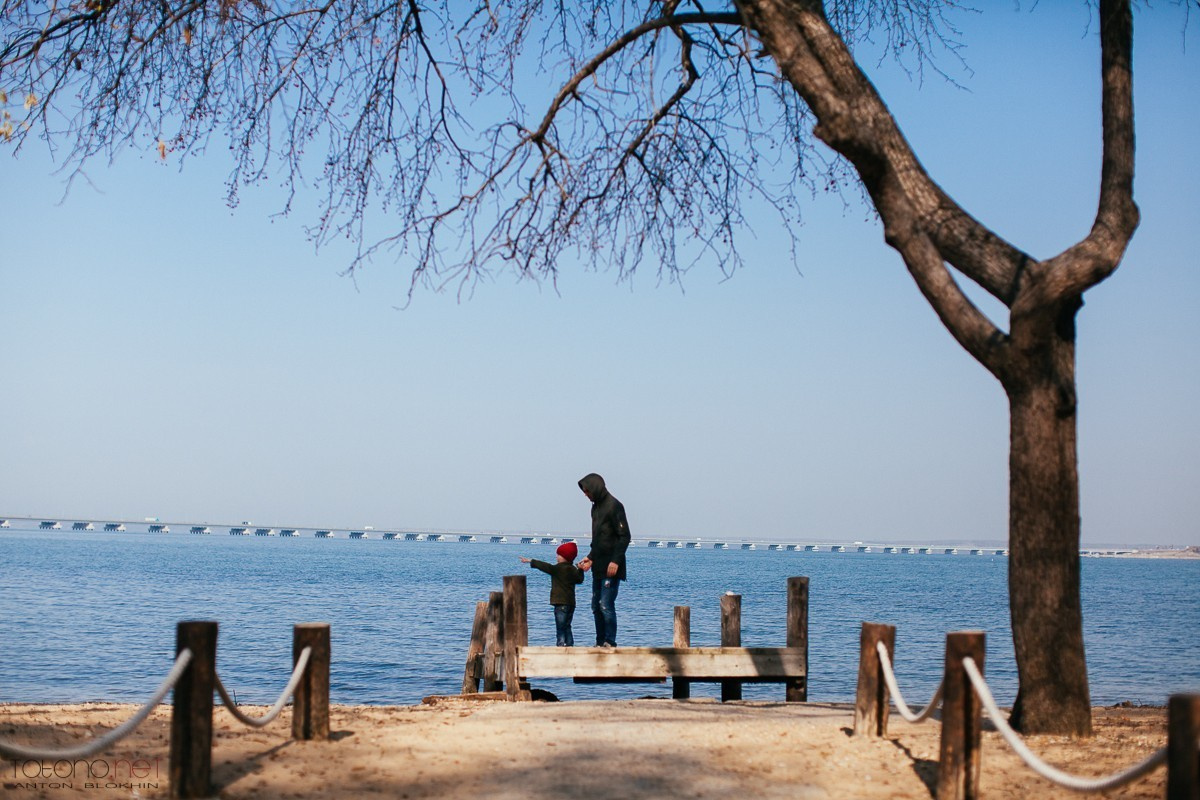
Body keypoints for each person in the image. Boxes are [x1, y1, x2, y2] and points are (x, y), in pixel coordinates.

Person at [577, 472, 631, 647]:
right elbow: (599, 539)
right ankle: (600, 642)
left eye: (587, 491)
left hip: (612, 567)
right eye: (584, 492)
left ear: (596, 488)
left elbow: (625, 536)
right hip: (598, 566)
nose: (586, 495)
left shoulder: (614, 506)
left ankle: (610, 641)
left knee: (605, 604)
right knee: (595, 606)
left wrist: (616, 561)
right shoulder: (595, 509)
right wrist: (590, 557)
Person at [519, 541, 586, 646]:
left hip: (560, 603)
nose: (557, 557)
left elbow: (544, 566)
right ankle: (570, 645)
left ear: (564, 557)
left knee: (560, 626)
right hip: (571, 603)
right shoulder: (573, 569)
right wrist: (580, 570)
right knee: (567, 625)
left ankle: (560, 645)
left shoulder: (557, 569)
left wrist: (531, 561)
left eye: (558, 555)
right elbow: (580, 580)